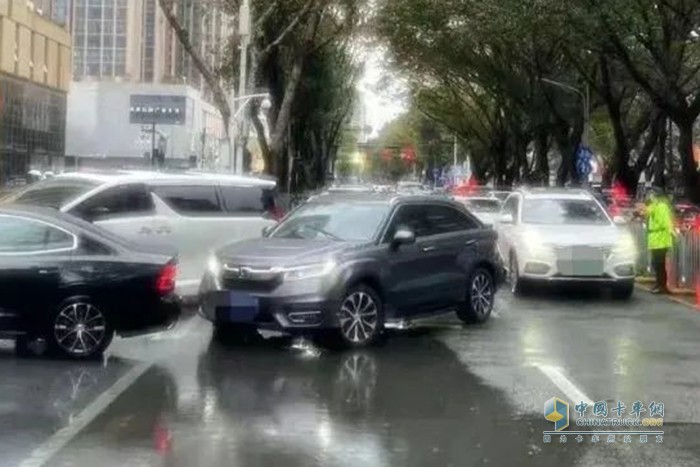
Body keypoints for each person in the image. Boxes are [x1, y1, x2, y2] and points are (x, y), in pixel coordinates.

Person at [646, 187, 675, 294]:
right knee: (657, 264)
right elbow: (648, 211)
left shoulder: (662, 206)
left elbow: (665, 222)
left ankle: (662, 286)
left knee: (659, 264)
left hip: (661, 239)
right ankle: (659, 284)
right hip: (655, 239)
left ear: (656, 195)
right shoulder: (655, 206)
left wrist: (672, 231)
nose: (650, 196)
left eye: (651, 194)